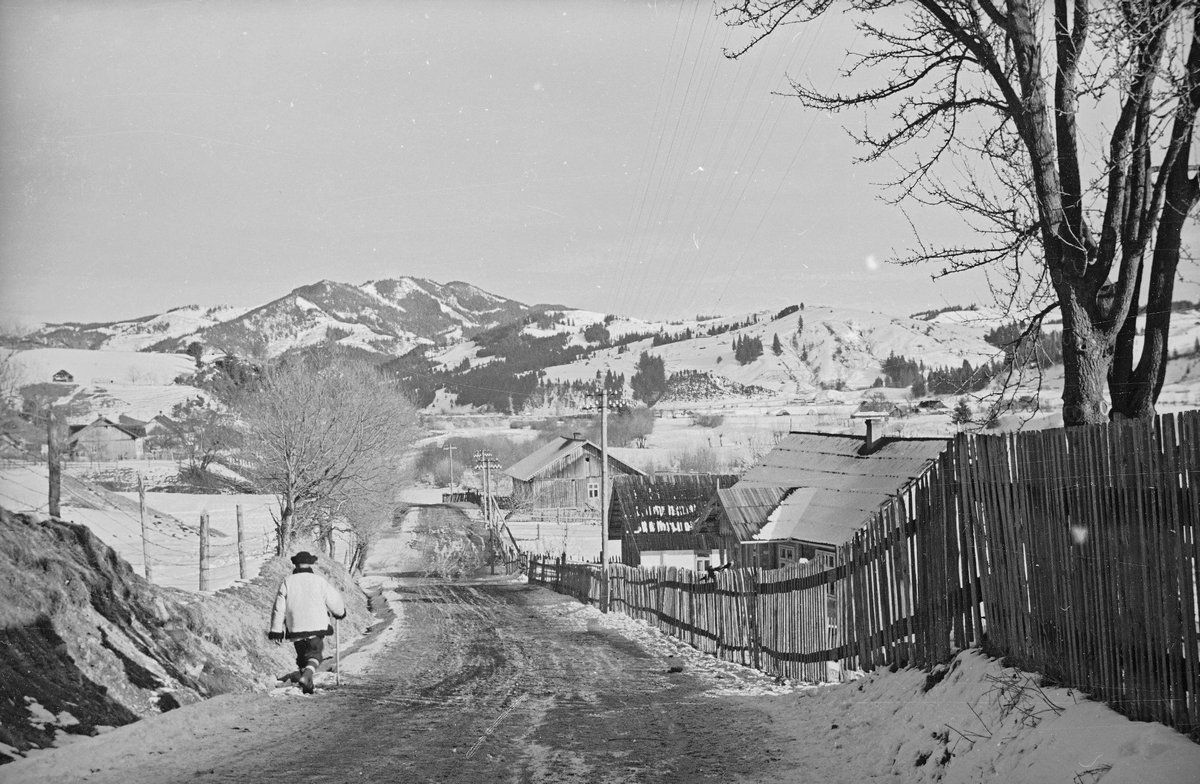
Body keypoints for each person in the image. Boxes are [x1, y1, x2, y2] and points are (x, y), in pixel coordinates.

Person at [268, 551, 347, 694]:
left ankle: (308, 687)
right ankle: (307, 677)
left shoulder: (288, 581)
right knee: (315, 655)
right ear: (310, 564)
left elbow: (279, 608)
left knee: (302, 658)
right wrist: (340, 613)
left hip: (296, 626)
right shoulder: (319, 581)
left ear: (295, 564)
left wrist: (276, 629)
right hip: (316, 625)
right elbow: (334, 600)